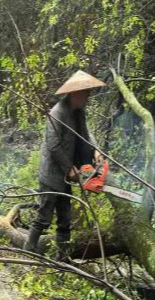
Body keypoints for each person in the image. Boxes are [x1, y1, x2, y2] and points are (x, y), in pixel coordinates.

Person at [25, 70, 106, 254]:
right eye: (86, 94)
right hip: (52, 174)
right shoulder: (57, 113)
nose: (87, 98)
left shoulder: (78, 112)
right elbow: (53, 146)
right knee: (44, 218)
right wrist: (69, 168)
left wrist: (96, 149)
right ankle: (28, 251)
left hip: (66, 176)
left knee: (65, 221)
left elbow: (86, 134)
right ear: (75, 93)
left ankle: (62, 259)